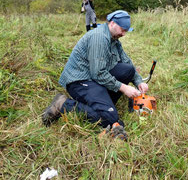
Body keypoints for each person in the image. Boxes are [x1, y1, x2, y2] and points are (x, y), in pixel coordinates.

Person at [42, 10, 149, 140]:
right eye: (122, 29)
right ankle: (63, 104)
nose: (124, 34)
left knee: (128, 69)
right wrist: (124, 88)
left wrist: (139, 82)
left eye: (126, 31)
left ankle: (104, 103)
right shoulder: (99, 37)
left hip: (94, 77)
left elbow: (126, 61)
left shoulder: (114, 39)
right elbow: (98, 73)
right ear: (112, 23)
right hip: (80, 80)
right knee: (110, 117)